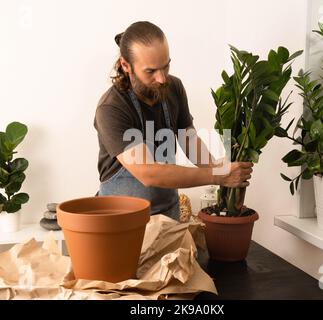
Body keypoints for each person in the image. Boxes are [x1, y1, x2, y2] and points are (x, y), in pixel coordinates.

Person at [94, 21, 253, 221]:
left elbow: (189, 140)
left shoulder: (173, 88)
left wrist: (220, 167)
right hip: (122, 222)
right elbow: (148, 173)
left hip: (168, 217)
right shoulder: (112, 108)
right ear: (126, 66)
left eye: (166, 66)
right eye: (151, 71)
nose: (162, 78)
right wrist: (218, 175)